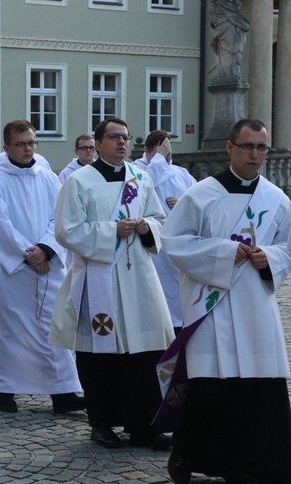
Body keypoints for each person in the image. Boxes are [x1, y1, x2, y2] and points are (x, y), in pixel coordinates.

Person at [159, 118, 291, 484]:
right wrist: (222, 251)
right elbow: (175, 242)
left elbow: (288, 247)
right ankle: (188, 453)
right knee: (210, 390)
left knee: (259, 393)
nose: (255, 155)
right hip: (211, 306)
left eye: (262, 147)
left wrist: (271, 256)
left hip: (255, 306)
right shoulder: (201, 194)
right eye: (248, 146)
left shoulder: (276, 199)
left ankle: (248, 470)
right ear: (230, 148)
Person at [50, 118, 174, 449]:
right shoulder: (79, 181)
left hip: (138, 279)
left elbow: (160, 219)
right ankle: (102, 423)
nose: (122, 143)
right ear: (99, 143)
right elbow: (67, 231)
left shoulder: (141, 178)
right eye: (114, 137)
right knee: (100, 356)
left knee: (144, 354)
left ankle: (145, 425)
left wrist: (145, 226)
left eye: (125, 137)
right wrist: (111, 231)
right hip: (98, 278)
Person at [0, 120, 84, 414]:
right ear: (7, 147)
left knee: (53, 329)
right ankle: (4, 388)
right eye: (20, 144)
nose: (27, 149)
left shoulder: (49, 178)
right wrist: (28, 254)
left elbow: (59, 217)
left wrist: (47, 249)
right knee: (5, 332)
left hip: (47, 267)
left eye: (31, 143)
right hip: (8, 269)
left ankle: (62, 391)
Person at [134, 131, 196, 334]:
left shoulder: (181, 173)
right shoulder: (136, 171)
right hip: (153, 248)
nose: (166, 160)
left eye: (169, 155)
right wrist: (159, 159)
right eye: (161, 154)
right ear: (147, 152)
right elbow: (142, 190)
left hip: (179, 246)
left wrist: (183, 205)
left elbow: (199, 203)